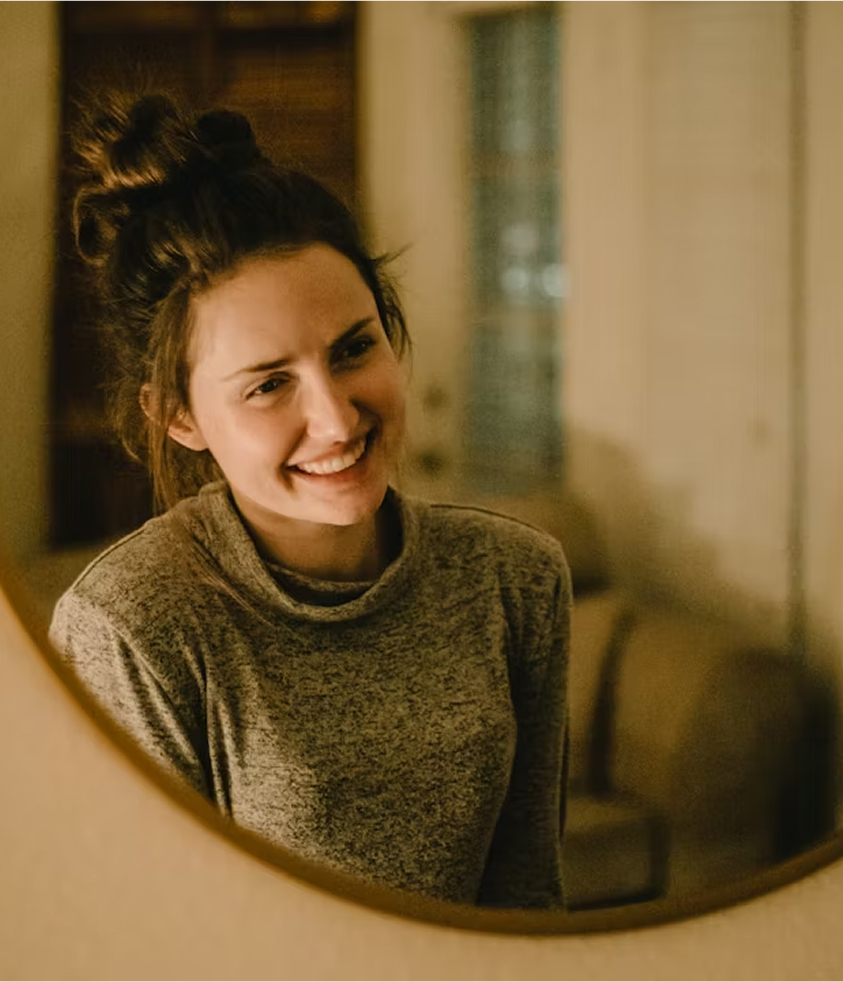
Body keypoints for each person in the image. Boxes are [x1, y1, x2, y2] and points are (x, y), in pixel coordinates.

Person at [49, 93, 570, 910]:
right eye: (267, 384)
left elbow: (527, 902)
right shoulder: (131, 627)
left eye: (353, 348)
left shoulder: (516, 580)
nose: (335, 418)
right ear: (178, 417)